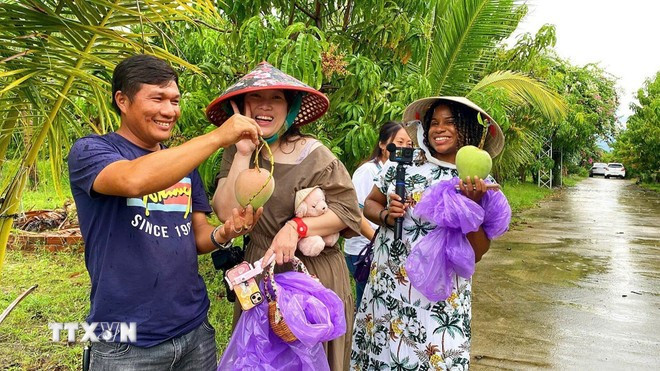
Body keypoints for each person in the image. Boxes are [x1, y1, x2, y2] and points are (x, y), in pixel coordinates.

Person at [68, 54, 263, 370]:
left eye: (175, 101)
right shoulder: (91, 151)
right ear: (122, 100)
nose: (169, 110)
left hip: (194, 329)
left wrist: (224, 233)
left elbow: (195, 234)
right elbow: (133, 180)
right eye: (157, 99)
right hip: (125, 342)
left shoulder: (183, 164)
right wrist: (217, 137)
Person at [208, 62, 361, 370]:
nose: (265, 106)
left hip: (312, 274)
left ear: (290, 108)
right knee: (261, 357)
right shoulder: (238, 153)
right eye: (256, 98)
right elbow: (226, 212)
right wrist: (241, 152)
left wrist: (297, 226)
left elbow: (347, 213)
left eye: (276, 98)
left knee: (311, 358)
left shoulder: (314, 154)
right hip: (263, 270)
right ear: (242, 106)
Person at [350, 96, 506, 370]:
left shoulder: (478, 184)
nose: (439, 129)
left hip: (438, 297)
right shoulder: (403, 164)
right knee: (381, 355)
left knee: (434, 358)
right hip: (388, 286)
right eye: (434, 122)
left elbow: (478, 253)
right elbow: (371, 204)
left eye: (450, 122)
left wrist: (471, 206)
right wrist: (386, 215)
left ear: (468, 128)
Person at [344, 121, 412, 310]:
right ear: (383, 144)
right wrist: (377, 239)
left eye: (409, 144)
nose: (405, 148)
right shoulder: (368, 171)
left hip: (380, 249)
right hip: (362, 250)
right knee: (367, 303)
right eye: (399, 142)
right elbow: (356, 211)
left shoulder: (402, 170)